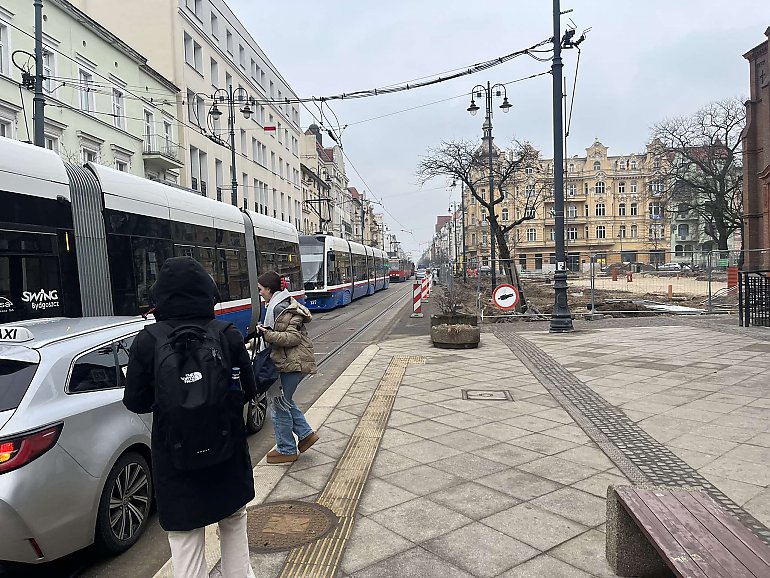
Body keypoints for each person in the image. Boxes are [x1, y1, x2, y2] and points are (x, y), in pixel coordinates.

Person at [124, 256, 257, 578]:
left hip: (175, 454)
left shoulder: (148, 341)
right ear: (207, 293)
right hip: (227, 449)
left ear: (160, 297)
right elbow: (250, 390)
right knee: (233, 521)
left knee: (185, 537)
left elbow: (135, 402)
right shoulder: (227, 334)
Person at [255, 270, 319, 464]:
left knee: (279, 405)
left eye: (260, 290)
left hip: (293, 363)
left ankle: (287, 449)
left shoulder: (281, 308)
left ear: (269, 289)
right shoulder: (280, 305)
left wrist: (267, 334)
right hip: (289, 361)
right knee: (284, 402)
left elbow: (292, 338)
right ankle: (306, 435)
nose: (259, 293)